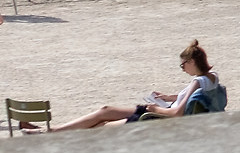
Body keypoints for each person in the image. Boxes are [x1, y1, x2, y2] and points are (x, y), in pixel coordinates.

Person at [55, 42, 224, 128]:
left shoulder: (197, 81)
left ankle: (53, 133)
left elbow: (177, 113)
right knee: (106, 111)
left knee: (102, 124)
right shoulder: (212, 78)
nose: (183, 69)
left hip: (159, 116)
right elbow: (190, 99)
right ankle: (54, 131)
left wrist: (155, 108)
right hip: (162, 111)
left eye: (183, 65)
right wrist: (168, 97)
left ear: (192, 61)